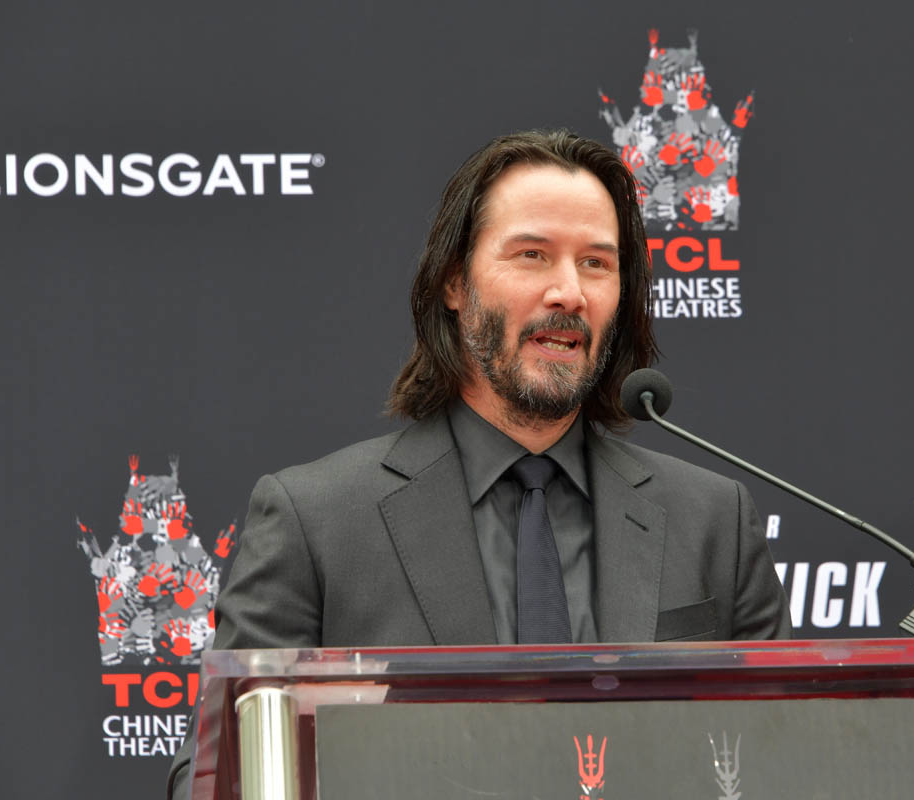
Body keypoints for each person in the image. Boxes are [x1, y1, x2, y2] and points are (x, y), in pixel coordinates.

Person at [167, 130, 789, 798]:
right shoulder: (314, 521)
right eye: (532, 255)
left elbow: (791, 757)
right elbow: (211, 779)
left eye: (596, 263)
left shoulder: (714, 520)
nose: (569, 292)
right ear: (454, 282)